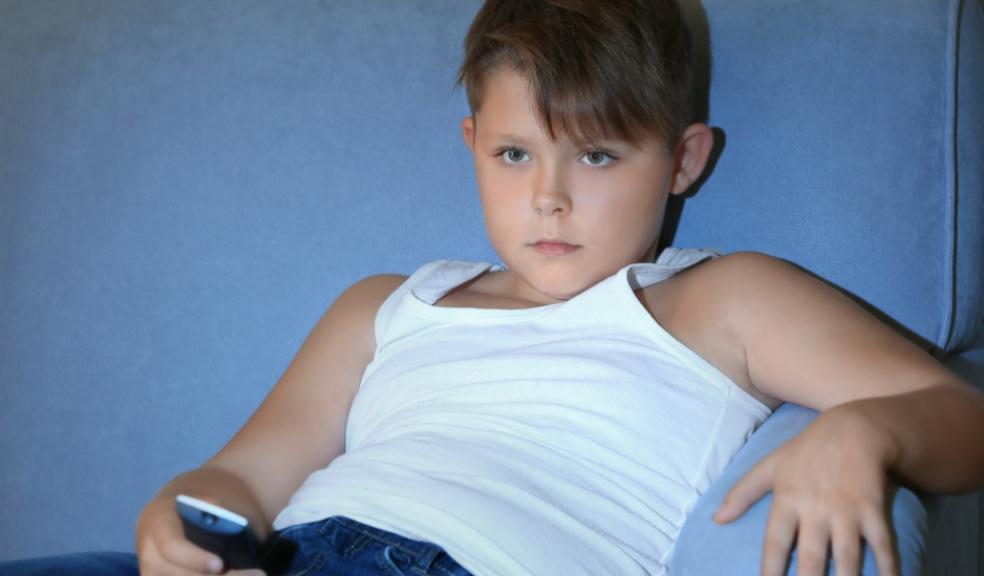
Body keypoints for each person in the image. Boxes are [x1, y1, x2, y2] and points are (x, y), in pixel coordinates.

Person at [3, 1, 982, 575]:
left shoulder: (720, 301)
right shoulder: (384, 307)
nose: (548, 198)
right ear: (472, 143)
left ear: (685, 160)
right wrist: (178, 514)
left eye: (597, 155)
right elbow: (246, 477)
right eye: (515, 154)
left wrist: (869, 430)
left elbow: (962, 417)